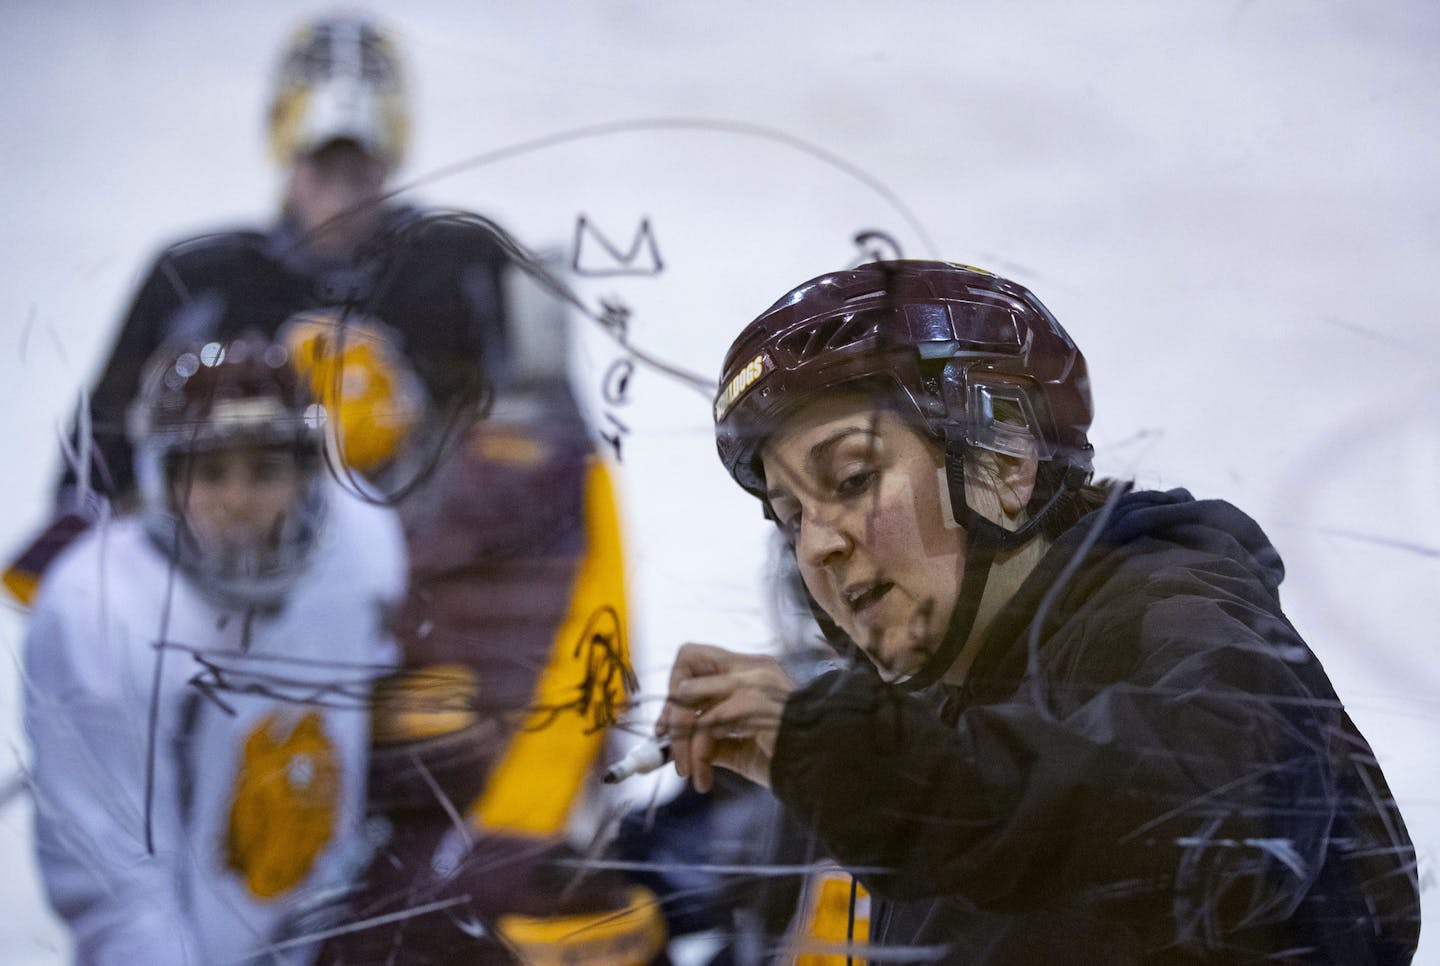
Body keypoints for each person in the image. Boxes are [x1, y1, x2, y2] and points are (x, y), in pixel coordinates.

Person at [656, 260, 1421, 963]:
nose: (817, 544)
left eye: (853, 479)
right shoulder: (949, 722)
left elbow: (1202, 823)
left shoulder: (1179, 626)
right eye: (790, 515)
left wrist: (847, 754)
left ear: (1003, 462)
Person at [23, 337, 406, 964]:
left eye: (265, 470)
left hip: (317, 916)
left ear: (309, 475)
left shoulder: (359, 546)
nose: (237, 499)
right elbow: (116, 883)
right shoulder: (103, 607)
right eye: (210, 471)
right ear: (163, 481)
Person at [53, 10, 513, 516]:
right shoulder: (197, 280)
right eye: (322, 170)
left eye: (357, 174)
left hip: (429, 564)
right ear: (289, 161)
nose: (340, 203)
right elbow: (96, 458)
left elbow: (539, 435)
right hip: (225, 570)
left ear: (389, 164)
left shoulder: (462, 265)